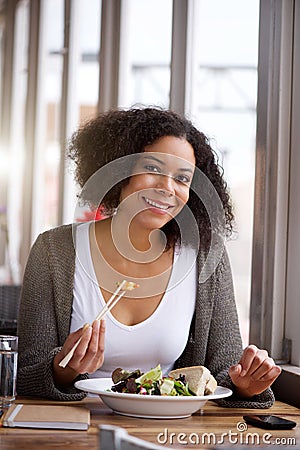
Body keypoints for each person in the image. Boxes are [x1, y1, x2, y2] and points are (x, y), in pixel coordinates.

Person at [17, 107, 281, 405]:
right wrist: (63, 369)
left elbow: (225, 374)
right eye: (153, 169)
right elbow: (25, 373)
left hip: (171, 432)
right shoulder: (54, 251)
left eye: (182, 178)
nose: (167, 188)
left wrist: (246, 383)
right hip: (74, 427)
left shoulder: (207, 257)